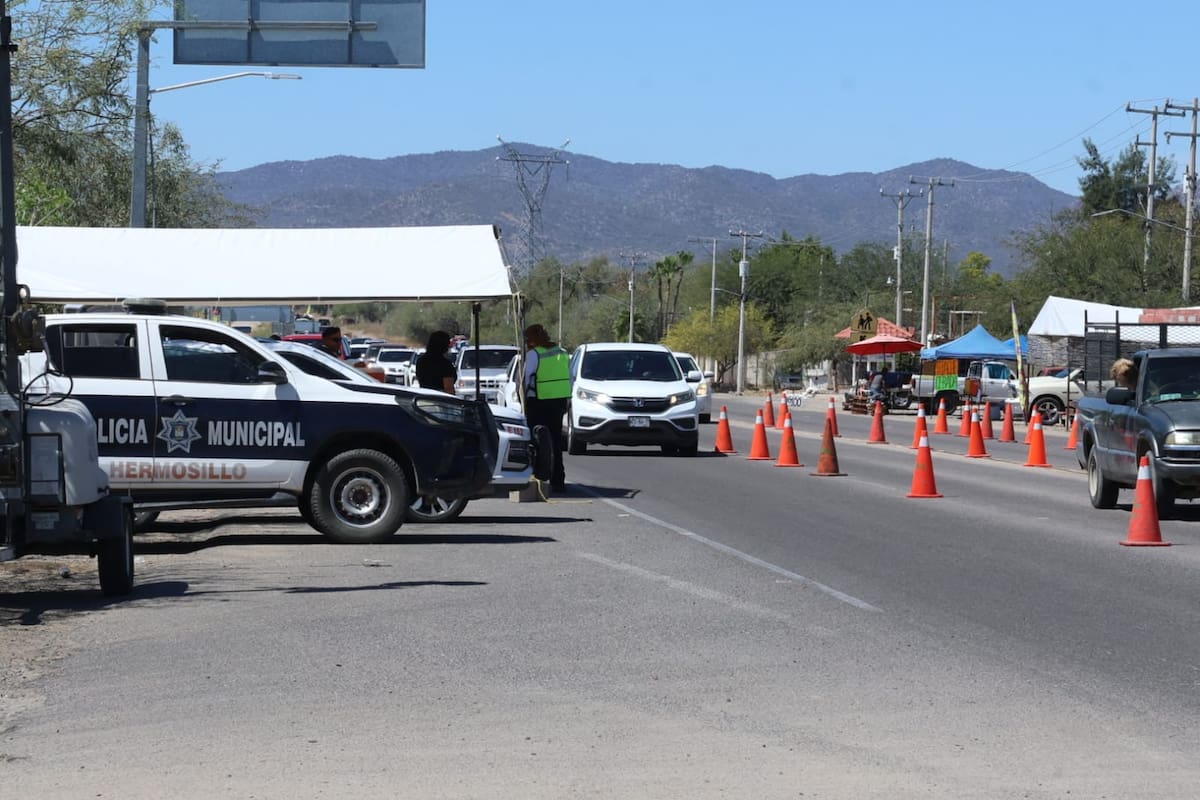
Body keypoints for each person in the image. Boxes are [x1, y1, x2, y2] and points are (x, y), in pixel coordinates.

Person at [523, 323, 570, 492]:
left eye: (527, 339)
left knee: (537, 441)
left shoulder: (534, 354)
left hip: (539, 401)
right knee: (556, 441)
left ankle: (539, 477)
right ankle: (558, 479)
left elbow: (526, 378)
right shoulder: (562, 352)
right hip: (559, 402)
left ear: (533, 340)